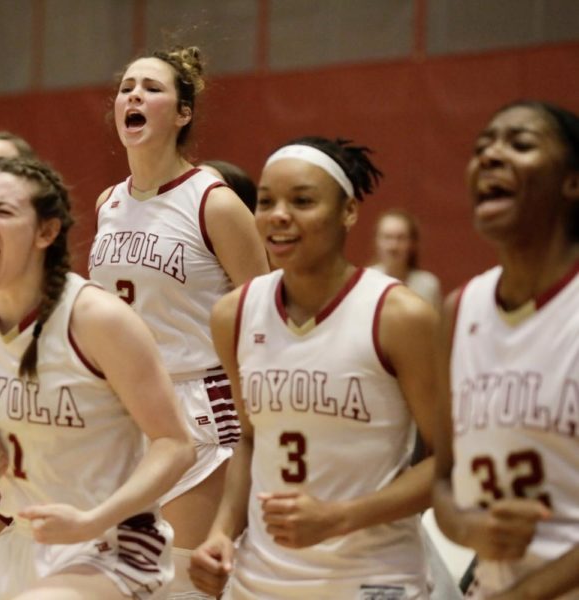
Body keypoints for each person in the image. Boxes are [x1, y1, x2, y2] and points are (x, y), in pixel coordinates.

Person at [189, 137, 439, 598]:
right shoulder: (234, 314)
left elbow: (451, 462)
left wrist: (339, 516)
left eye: (302, 200)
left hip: (371, 573)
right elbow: (249, 437)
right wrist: (222, 531)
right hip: (261, 576)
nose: (279, 214)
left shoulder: (399, 315)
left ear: (348, 213)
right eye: (266, 201)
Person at [0, 156, 195, 599]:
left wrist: (93, 520)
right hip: (21, 537)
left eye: (2, 211)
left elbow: (176, 445)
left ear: (46, 232)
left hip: (114, 543)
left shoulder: (98, 318)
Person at [88, 45, 269, 598]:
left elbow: (262, 320)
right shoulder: (107, 203)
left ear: (183, 112)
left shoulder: (213, 202)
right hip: (123, 414)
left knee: (186, 582)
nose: (133, 95)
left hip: (199, 409)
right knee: (124, 581)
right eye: (126, 88)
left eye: (152, 88)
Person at [432, 101, 579, 599]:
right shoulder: (461, 309)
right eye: (481, 148)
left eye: (520, 144)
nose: (490, 156)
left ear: (572, 182)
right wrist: (472, 531)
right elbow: (444, 479)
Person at [373, 209, 442, 310]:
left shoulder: (428, 285)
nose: (393, 246)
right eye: (387, 237)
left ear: (412, 243)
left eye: (401, 238)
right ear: (377, 241)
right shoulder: (365, 282)